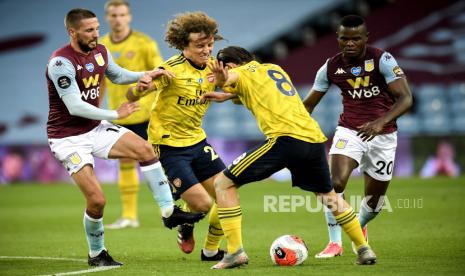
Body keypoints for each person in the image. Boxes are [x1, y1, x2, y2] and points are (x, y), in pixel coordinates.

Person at [46, 8, 204, 267]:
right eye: (89, 30)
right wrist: (115, 113)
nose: (96, 34)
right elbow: (74, 106)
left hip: (94, 129)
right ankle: (97, 254)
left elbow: (117, 74)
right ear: (72, 32)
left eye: (97, 28)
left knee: (146, 150)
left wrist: (146, 74)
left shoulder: (100, 51)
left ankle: (168, 211)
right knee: (97, 201)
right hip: (68, 138)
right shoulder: (60, 63)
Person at [202, 46, 377, 269]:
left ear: (231, 65)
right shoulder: (273, 69)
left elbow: (232, 77)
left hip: (285, 140)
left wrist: (221, 79)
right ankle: (363, 248)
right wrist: (226, 94)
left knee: (223, 183)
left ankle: (235, 252)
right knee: (329, 196)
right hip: (313, 139)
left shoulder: (240, 73)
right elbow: (246, 89)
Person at [302, 15, 413, 258]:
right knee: (333, 184)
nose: (349, 43)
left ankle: (360, 225)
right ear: (338, 39)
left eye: (355, 39)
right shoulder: (331, 67)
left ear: (365, 38)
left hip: (384, 136)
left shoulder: (381, 59)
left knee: (374, 203)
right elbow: (308, 105)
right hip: (349, 130)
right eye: (344, 39)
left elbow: (406, 98)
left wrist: (380, 122)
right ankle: (335, 243)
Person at [126, 11, 226, 261]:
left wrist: (229, 90)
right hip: (169, 145)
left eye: (210, 44)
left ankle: (212, 250)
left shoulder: (215, 68)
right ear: (184, 45)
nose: (207, 49)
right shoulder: (170, 69)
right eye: (200, 45)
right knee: (203, 205)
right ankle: (183, 219)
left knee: (227, 195)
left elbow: (238, 89)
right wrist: (140, 87)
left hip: (198, 141)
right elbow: (132, 94)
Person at [100, 0, 164, 230]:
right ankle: (129, 216)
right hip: (120, 115)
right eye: (113, 15)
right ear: (107, 18)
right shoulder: (101, 45)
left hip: (145, 113)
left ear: (129, 17)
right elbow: (99, 82)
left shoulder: (144, 43)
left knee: (158, 162)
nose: (118, 19)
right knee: (125, 163)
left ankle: (167, 211)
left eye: (122, 14)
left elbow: (159, 74)